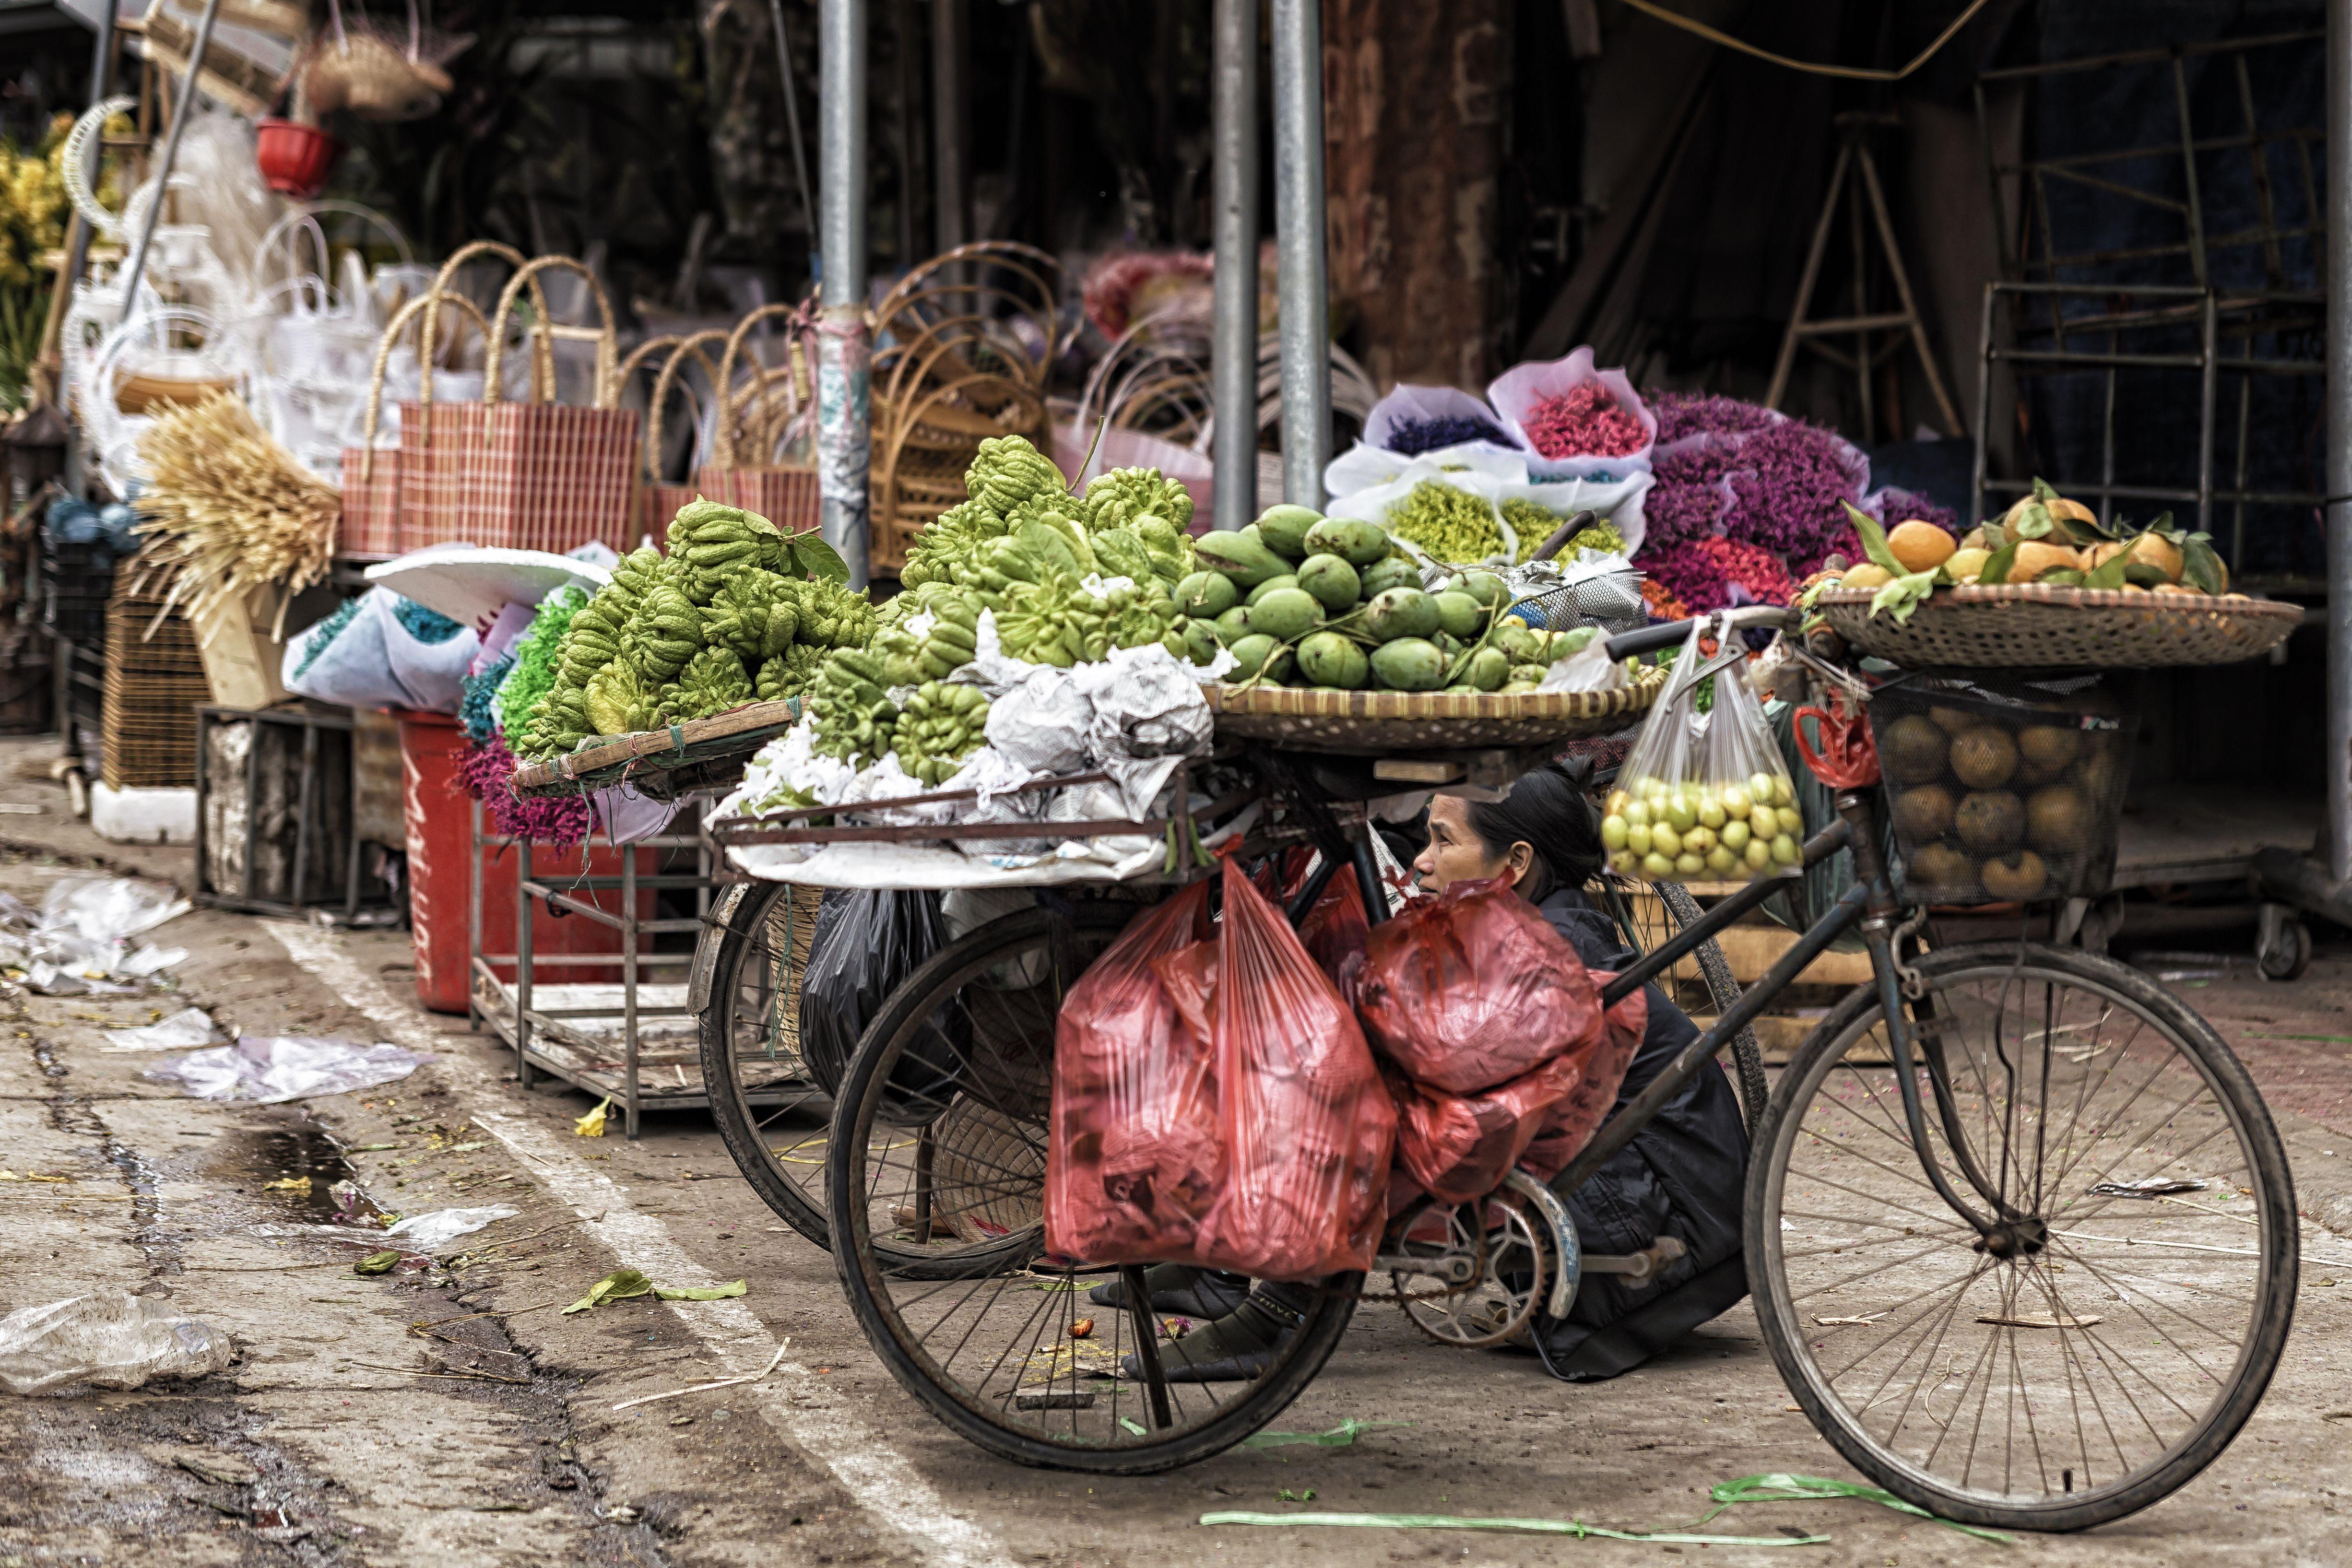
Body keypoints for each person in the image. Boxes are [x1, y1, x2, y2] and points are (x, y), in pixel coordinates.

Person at [1105, 761, 1748, 1382]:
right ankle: (1246, 1274)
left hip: (1670, 1240)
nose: (1421, 859)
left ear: (1515, 864)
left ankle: (1280, 1310)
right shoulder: (1530, 926)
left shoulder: (1551, 950)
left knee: (1379, 1101)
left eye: (1445, 840)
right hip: (1661, 1214)